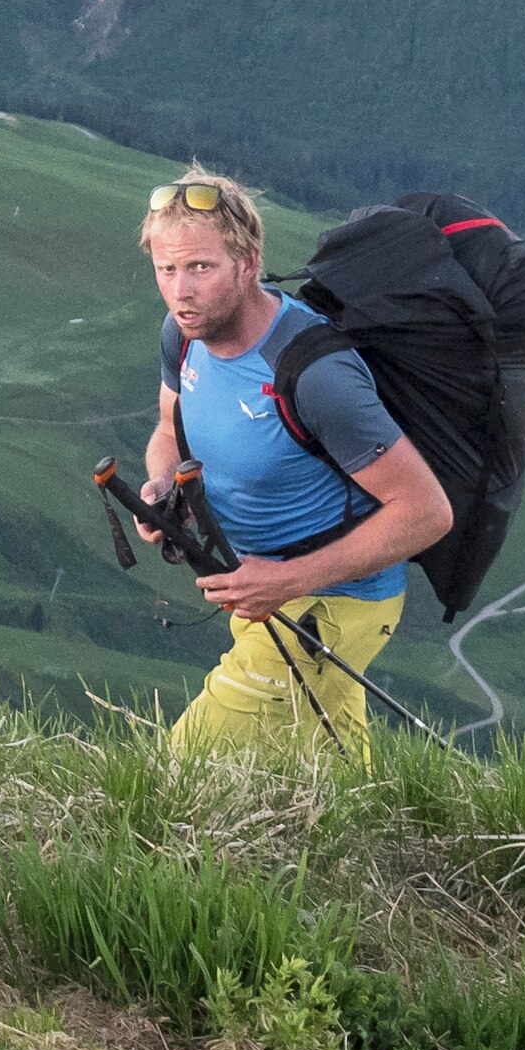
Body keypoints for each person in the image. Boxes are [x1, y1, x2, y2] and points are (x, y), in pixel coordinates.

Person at [136, 171, 451, 764]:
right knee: (330, 770)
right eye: (166, 269)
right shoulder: (182, 338)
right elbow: (166, 431)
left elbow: (427, 512)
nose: (181, 291)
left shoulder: (313, 372)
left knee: (176, 774)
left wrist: (288, 580)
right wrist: (161, 486)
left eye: (200, 268)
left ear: (249, 262)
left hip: (334, 604)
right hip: (262, 595)